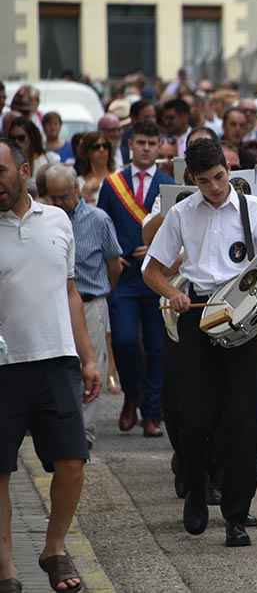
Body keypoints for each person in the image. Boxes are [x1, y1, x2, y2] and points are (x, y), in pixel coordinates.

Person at [143, 138, 257, 548]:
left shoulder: (254, 209)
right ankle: (195, 489)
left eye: (219, 177)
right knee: (192, 416)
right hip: (198, 315)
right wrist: (172, 293)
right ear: (192, 179)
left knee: (244, 419)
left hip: (243, 316)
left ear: (228, 170)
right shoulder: (181, 214)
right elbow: (151, 271)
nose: (214, 187)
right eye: (205, 181)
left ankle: (236, 514)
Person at [0, 138, 101, 593]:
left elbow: (71, 291)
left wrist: (89, 357)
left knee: (72, 460)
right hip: (4, 367)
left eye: (1, 172)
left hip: (57, 361)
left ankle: (54, 548)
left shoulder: (58, 220)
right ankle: (6, 568)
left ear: (24, 172)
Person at [97, 120, 175, 438]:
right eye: (140, 142)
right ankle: (132, 395)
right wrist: (113, 254)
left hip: (157, 277)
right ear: (130, 145)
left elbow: (178, 230)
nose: (145, 148)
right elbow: (102, 223)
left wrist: (157, 248)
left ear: (159, 147)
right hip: (125, 276)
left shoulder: (169, 184)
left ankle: (151, 414)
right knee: (125, 340)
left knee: (157, 347)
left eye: (151, 143)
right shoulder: (112, 184)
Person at [45, 164, 123, 449]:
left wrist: (103, 294)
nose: (58, 203)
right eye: (52, 197)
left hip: (91, 302)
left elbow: (114, 264)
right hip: (55, 303)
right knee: (60, 365)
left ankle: (84, 432)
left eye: (63, 196)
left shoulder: (98, 219)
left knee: (93, 366)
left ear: (76, 190)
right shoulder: (45, 220)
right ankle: (62, 424)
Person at [8, 116, 58, 191]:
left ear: (31, 137)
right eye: (12, 139)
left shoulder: (50, 159)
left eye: (21, 138)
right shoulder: (8, 162)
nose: (16, 142)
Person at [75, 131, 117, 204]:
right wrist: (84, 193)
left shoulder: (120, 176)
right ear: (87, 152)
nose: (101, 150)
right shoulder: (79, 182)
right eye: (96, 147)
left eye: (105, 146)